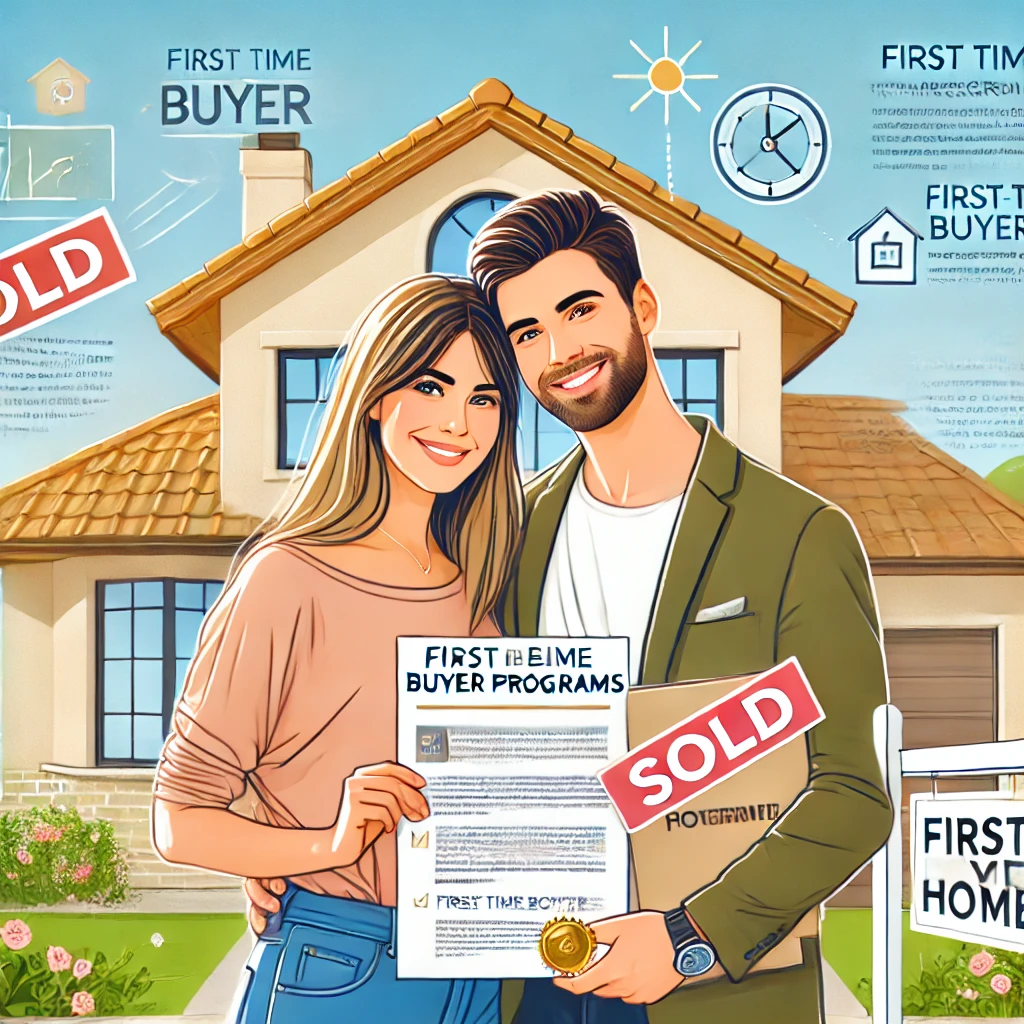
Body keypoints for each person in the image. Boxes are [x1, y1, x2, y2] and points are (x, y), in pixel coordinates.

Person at [245, 189, 894, 1024]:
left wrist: (687, 939)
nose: (558, 350)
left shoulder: (800, 534)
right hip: (528, 987)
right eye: (526, 334)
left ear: (643, 307)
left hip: (705, 993)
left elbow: (853, 791)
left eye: (579, 309)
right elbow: (417, 721)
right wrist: (286, 851)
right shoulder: (505, 530)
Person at [151, 274, 523, 1024]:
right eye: (432, 386)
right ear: (376, 393)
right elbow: (178, 819)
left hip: (480, 969)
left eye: (484, 398)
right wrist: (322, 844)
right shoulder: (287, 578)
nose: (458, 422)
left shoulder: (478, 594)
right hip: (339, 966)